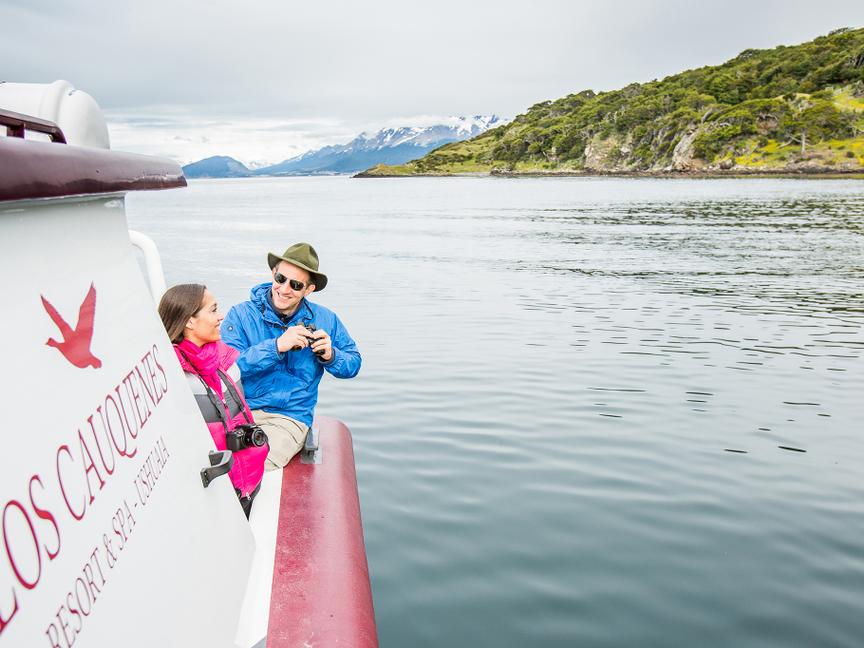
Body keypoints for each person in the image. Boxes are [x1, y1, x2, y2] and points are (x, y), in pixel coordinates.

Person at [222, 242, 361, 470]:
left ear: (309, 290)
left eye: (296, 285)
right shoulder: (240, 314)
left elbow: (353, 364)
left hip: (289, 417)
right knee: (207, 461)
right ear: (273, 274)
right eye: (281, 279)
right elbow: (226, 369)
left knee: (252, 464)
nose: (285, 289)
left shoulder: (326, 319)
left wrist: (331, 355)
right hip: (239, 411)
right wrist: (277, 346)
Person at [158, 284, 268, 518]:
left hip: (248, 481)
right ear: (189, 321)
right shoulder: (170, 375)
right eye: (213, 310)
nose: (221, 316)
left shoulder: (228, 361)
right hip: (212, 494)